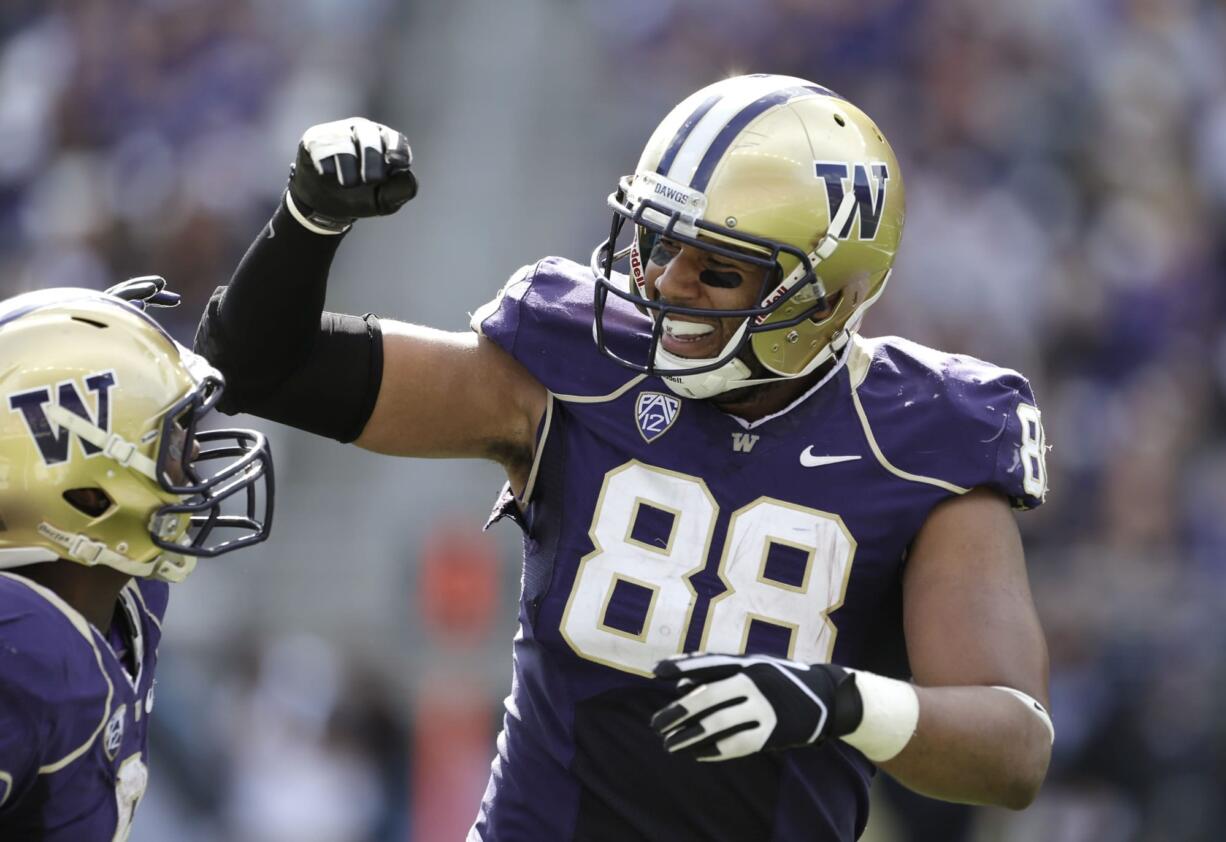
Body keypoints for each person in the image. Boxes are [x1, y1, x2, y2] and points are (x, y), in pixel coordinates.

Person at [195, 74, 1054, 840]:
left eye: (719, 269)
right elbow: (259, 367)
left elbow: (1013, 750)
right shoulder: (580, 369)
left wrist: (842, 702)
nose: (667, 284)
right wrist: (308, 221)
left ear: (827, 300)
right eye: (658, 243)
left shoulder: (920, 435)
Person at [0, 278, 274, 841]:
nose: (195, 455)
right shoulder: (21, 651)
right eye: (173, 439)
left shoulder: (127, 599)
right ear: (83, 482)